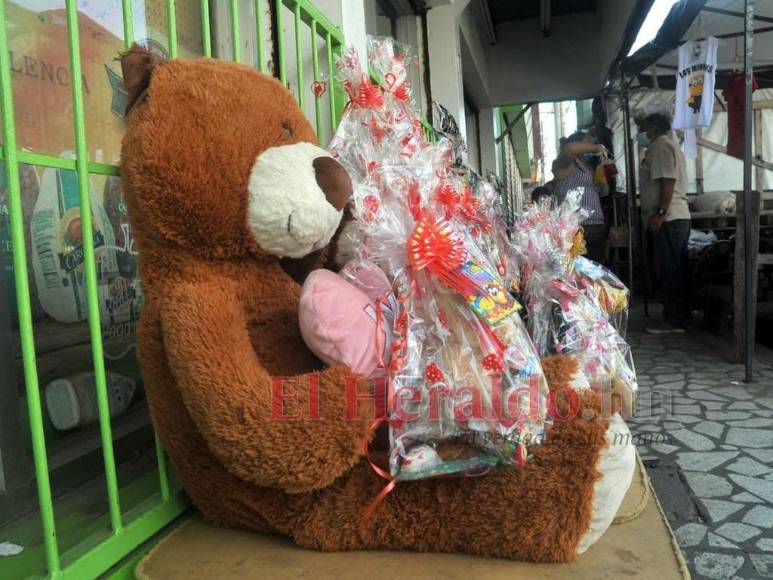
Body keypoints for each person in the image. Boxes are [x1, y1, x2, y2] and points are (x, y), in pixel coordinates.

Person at [637, 113, 691, 334]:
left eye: (645, 127)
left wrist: (660, 213)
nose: (642, 133)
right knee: (671, 268)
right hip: (672, 217)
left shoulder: (660, 146)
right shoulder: (663, 146)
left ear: (656, 127)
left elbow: (667, 182)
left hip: (670, 218)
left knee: (670, 269)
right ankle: (676, 316)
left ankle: (676, 320)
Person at [552, 132, 607, 262]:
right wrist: (595, 148)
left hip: (595, 226)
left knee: (595, 268)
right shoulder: (564, 163)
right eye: (587, 143)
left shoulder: (586, 166)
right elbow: (569, 148)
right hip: (577, 228)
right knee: (580, 268)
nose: (590, 146)